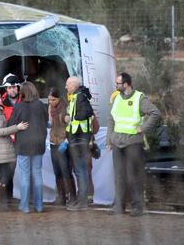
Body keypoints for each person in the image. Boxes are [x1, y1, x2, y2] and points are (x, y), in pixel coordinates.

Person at [107, 72, 161, 216]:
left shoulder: (139, 98)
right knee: (119, 176)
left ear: (126, 84)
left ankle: (138, 207)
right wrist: (109, 139)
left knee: (133, 176)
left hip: (133, 143)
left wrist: (142, 128)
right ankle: (119, 206)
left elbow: (155, 113)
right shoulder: (116, 98)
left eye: (118, 83)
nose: (116, 86)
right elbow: (111, 119)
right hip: (117, 142)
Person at [0, 89, 28, 211]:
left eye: (0, 98)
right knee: (4, 175)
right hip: (2, 146)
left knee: (0, 174)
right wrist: (16, 127)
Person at [8, 82, 48, 213]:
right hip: (38, 143)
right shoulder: (41, 105)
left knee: (25, 175)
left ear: (22, 92)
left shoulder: (19, 106)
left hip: (23, 144)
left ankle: (24, 206)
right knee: (37, 174)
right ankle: (39, 206)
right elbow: (46, 121)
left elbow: (10, 124)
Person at [64, 76, 97, 211]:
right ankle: (81, 200)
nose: (66, 87)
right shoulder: (79, 96)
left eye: (67, 85)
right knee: (80, 171)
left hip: (79, 140)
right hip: (79, 139)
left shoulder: (79, 97)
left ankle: (82, 202)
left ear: (73, 85)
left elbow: (87, 113)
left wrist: (70, 118)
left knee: (80, 171)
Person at [47, 87, 76, 205]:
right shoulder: (50, 108)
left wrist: (66, 141)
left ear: (59, 98)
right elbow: (50, 123)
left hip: (64, 142)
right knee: (57, 171)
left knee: (66, 170)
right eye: (49, 100)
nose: (51, 102)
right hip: (54, 142)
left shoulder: (66, 107)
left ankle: (73, 196)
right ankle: (61, 196)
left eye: (53, 100)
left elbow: (71, 126)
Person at [1, 73, 22, 200]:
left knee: (25, 169)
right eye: (9, 88)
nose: (12, 90)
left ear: (18, 87)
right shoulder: (1, 102)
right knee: (9, 169)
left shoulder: (24, 99)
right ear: (6, 89)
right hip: (8, 140)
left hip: (23, 139)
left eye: (14, 87)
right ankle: (7, 197)